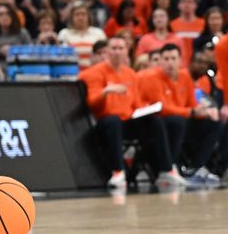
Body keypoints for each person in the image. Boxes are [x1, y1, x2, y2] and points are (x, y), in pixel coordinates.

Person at [79, 36, 186, 195]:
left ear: (126, 52)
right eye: (113, 48)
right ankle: (118, 171)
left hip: (128, 120)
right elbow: (91, 103)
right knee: (113, 121)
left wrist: (147, 110)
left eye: (121, 48)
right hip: (104, 122)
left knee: (156, 122)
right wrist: (105, 92)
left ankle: (166, 170)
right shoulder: (94, 73)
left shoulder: (130, 74)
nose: (117, 52)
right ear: (107, 51)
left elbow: (136, 103)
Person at [137, 44, 221, 186]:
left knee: (215, 123)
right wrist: (191, 112)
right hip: (161, 123)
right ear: (161, 61)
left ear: (180, 60)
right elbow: (162, 108)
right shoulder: (151, 77)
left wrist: (205, 111)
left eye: (173, 58)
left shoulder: (185, 76)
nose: (170, 62)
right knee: (176, 121)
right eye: (166, 58)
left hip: (183, 120)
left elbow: (192, 104)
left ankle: (195, 167)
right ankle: (169, 168)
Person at [58, 1, 107, 68]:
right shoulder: (64, 33)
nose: (80, 17)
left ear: (88, 17)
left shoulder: (98, 33)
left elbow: (105, 55)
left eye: (83, 14)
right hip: (71, 73)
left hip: (94, 71)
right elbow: (60, 56)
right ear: (72, 18)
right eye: (77, 14)